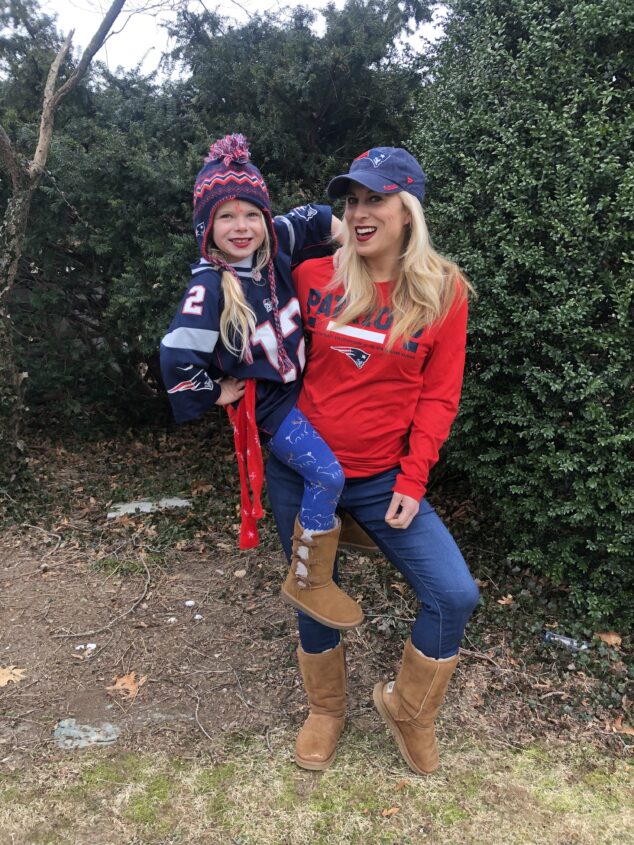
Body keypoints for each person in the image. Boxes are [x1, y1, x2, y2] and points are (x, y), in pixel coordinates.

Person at [265, 147, 481, 773]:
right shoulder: (312, 277)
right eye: (352, 200)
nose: (359, 212)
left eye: (375, 199)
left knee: (454, 593)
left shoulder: (444, 291)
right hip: (303, 474)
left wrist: (413, 478)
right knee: (312, 589)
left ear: (407, 210)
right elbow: (243, 299)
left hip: (384, 477)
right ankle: (327, 710)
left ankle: (409, 709)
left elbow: (440, 395)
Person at [160, 134, 363, 630]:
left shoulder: (274, 245)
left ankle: (343, 525)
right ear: (206, 227)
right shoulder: (208, 285)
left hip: (305, 385)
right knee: (327, 473)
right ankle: (309, 578)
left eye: (250, 213)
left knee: (352, 437)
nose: (241, 226)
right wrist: (215, 391)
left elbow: (316, 215)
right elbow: (175, 353)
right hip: (271, 405)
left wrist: (357, 253)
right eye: (225, 217)